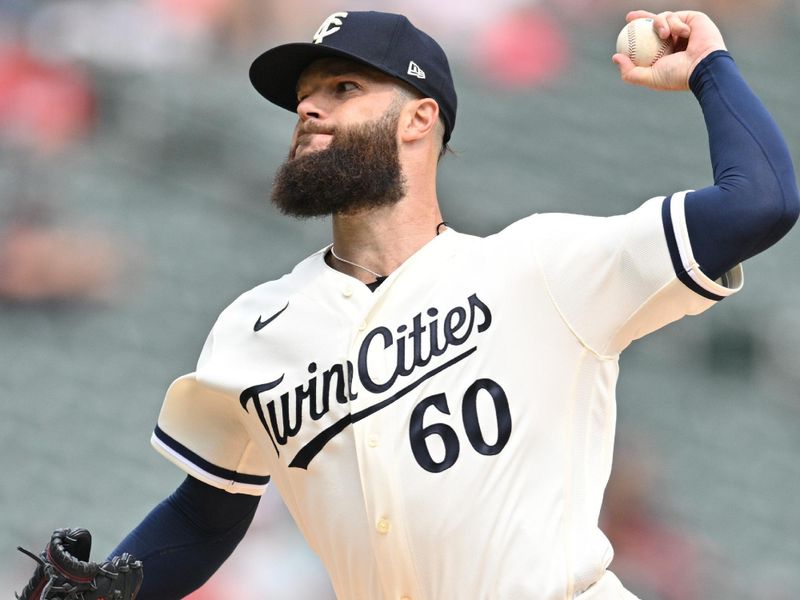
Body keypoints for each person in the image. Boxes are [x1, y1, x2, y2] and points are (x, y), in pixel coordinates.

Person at [16, 8, 799, 600]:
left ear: (421, 117)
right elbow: (205, 516)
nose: (309, 110)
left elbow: (759, 202)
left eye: (343, 88)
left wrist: (710, 67)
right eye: (304, 96)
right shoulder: (255, 329)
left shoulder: (541, 264)